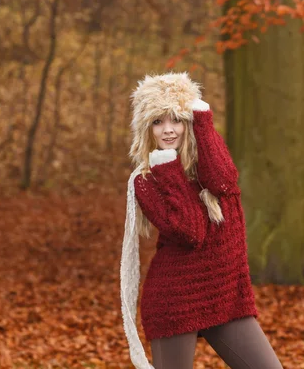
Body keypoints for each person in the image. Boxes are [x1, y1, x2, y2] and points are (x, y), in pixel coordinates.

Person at [120, 72, 283, 369]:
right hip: (177, 300)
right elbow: (191, 231)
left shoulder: (207, 165)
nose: (168, 130)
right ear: (147, 129)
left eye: (176, 120)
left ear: (190, 121)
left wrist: (204, 119)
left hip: (226, 296)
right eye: (158, 122)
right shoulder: (146, 181)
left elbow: (225, 185)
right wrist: (167, 168)